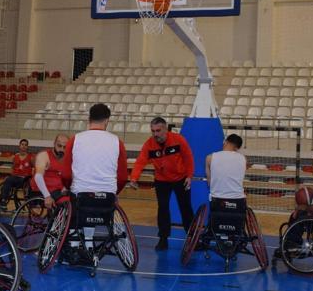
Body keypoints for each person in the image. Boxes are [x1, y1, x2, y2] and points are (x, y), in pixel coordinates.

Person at [61, 104, 128, 253]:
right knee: (93, 206)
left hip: (80, 194)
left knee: (77, 204)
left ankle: (74, 246)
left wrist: (67, 186)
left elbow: (65, 174)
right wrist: (115, 192)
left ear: (89, 119)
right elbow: (123, 177)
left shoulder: (75, 139)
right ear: (107, 120)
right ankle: (89, 245)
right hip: (107, 197)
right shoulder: (117, 142)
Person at [129, 117, 194, 251]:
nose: (155, 134)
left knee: (185, 208)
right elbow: (140, 161)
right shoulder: (149, 144)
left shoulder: (178, 140)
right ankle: (163, 238)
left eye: (158, 130)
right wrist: (134, 178)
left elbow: (188, 157)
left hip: (180, 179)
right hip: (161, 181)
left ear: (165, 129)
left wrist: (189, 176)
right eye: (153, 131)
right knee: (163, 208)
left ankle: (192, 237)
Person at [31, 134, 69, 209]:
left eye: (65, 147)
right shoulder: (44, 155)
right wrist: (47, 196)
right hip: (43, 190)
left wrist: (66, 187)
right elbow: (38, 176)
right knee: (66, 202)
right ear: (54, 144)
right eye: (59, 146)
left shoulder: (67, 158)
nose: (61, 149)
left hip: (58, 190)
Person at [205, 134, 246, 201]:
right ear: (237, 148)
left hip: (217, 198)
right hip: (238, 199)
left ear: (225, 141)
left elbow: (209, 182)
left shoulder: (210, 157)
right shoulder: (243, 158)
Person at [0, 139, 35, 209]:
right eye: (22, 144)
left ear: (27, 147)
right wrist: (9, 176)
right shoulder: (15, 157)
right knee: (8, 180)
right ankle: (3, 200)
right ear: (19, 146)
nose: (24, 146)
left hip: (25, 179)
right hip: (15, 177)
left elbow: (34, 168)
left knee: (29, 182)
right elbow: (13, 169)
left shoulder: (31, 157)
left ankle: (32, 202)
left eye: (25, 145)